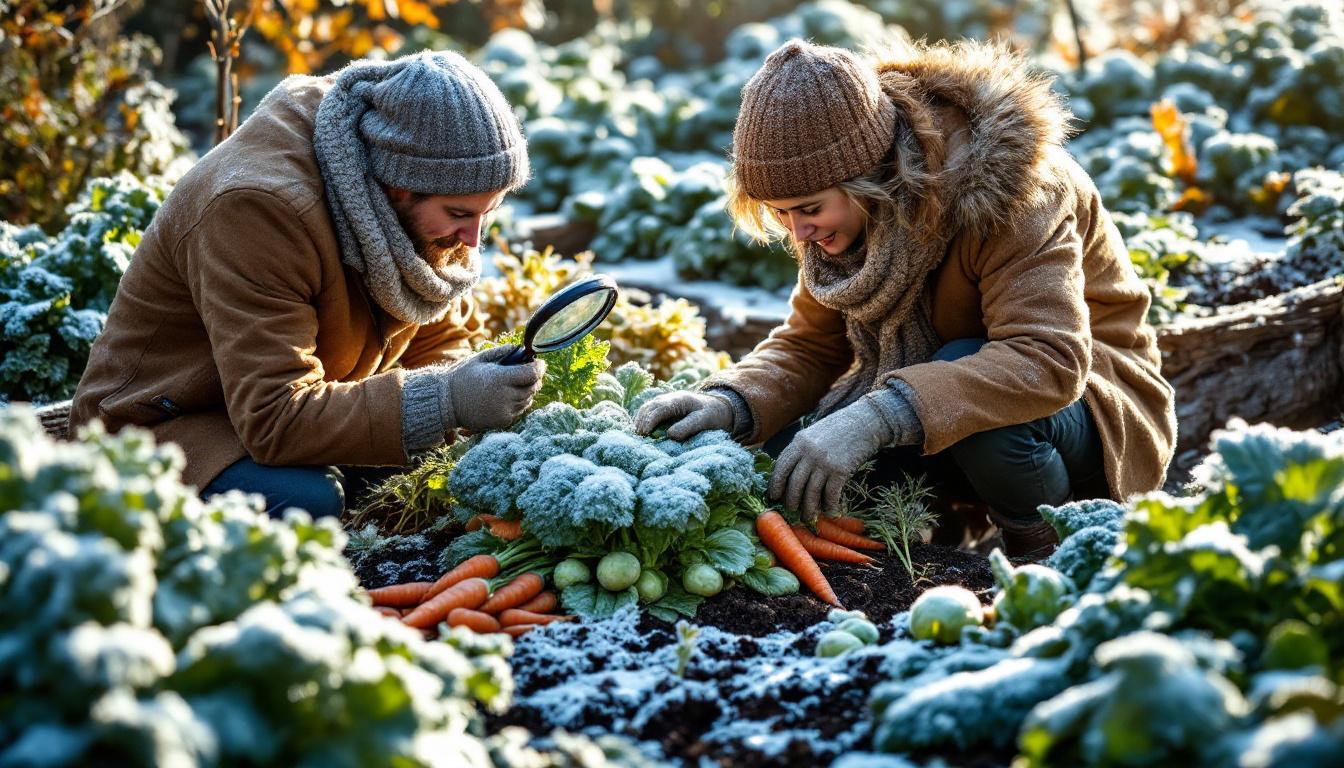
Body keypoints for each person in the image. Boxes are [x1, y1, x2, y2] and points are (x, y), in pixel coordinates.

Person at [634, 39, 1176, 558]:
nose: (796, 233)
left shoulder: (1020, 190)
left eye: (808, 209)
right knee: (790, 466)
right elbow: (810, 346)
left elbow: (1048, 361)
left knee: (964, 370)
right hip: (930, 393)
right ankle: (936, 541)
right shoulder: (843, 223)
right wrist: (732, 402)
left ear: (866, 178)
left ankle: (1049, 546)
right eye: (780, 214)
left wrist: (876, 417)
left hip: (1088, 404)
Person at [71, 51, 546, 518]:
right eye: (460, 214)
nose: (473, 239)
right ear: (398, 186)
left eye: (490, 210)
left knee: (435, 463)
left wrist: (468, 393)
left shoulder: (406, 200)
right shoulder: (258, 211)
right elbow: (275, 417)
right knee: (308, 500)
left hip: (295, 404)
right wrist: (447, 399)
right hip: (167, 425)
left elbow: (440, 336)